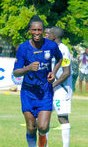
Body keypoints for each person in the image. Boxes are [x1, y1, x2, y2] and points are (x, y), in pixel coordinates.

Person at [13, 15, 63, 147]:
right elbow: (16, 72)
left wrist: (54, 72)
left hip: (45, 90)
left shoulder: (51, 46)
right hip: (28, 92)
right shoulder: (23, 48)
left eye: (39, 30)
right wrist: (28, 68)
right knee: (31, 127)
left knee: (43, 127)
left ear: (43, 31)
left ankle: (42, 140)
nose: (37, 33)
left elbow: (59, 59)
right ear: (30, 31)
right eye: (34, 30)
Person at [49, 26, 73, 147]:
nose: (46, 35)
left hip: (61, 89)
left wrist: (53, 85)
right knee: (45, 114)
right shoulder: (50, 48)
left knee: (62, 117)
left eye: (49, 33)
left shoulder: (63, 50)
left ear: (54, 36)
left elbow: (66, 72)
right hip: (51, 88)